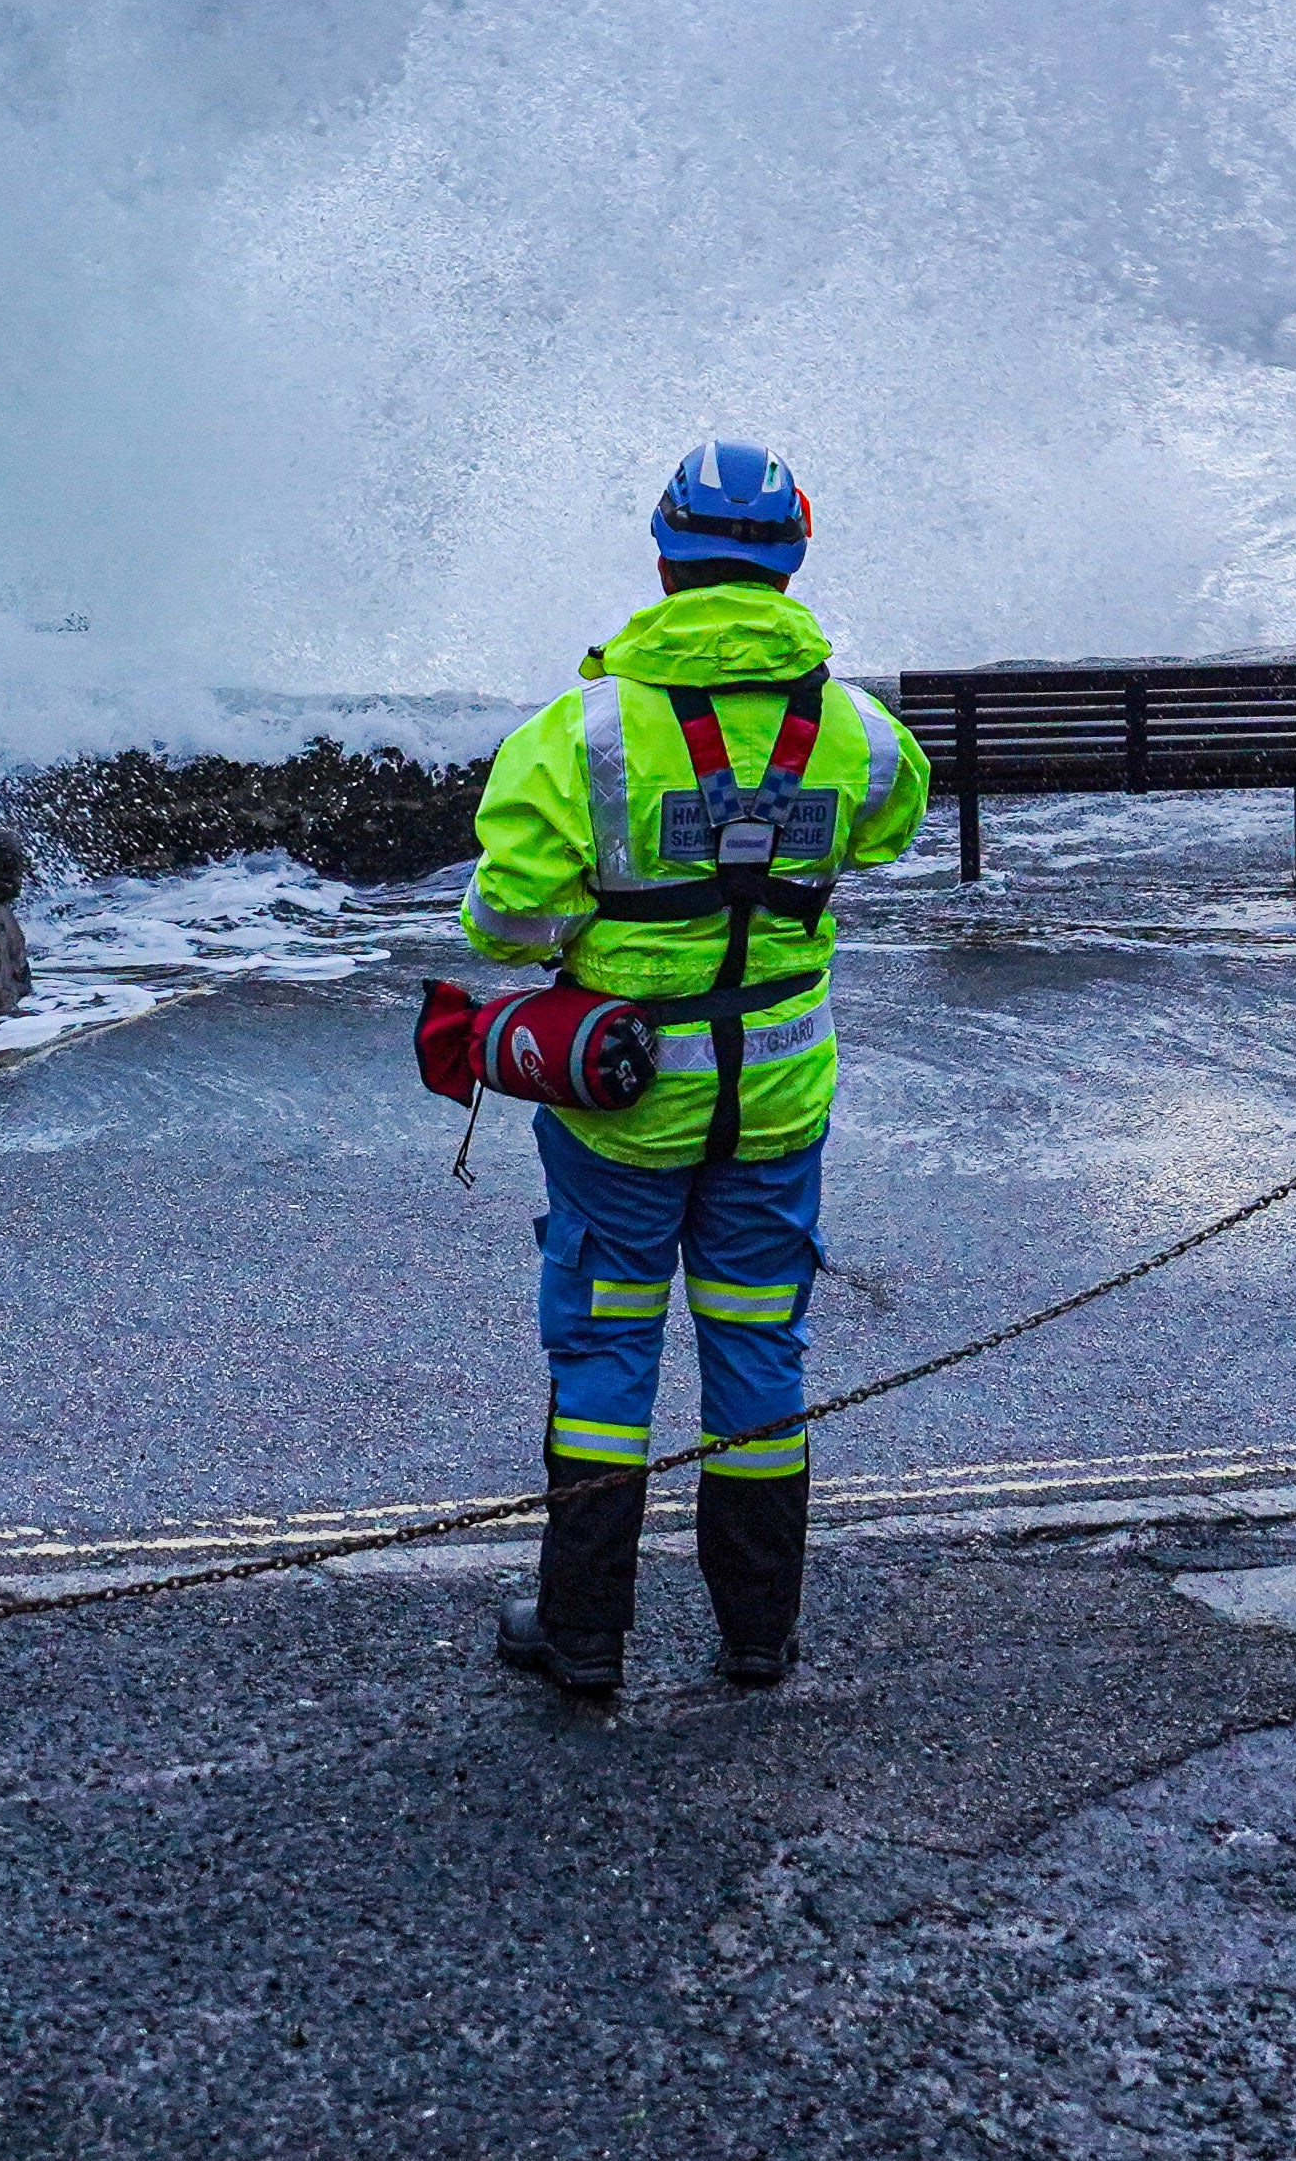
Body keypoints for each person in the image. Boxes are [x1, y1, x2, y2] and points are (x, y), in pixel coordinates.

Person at [460, 439, 933, 1699]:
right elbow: (889, 824)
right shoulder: (857, 731)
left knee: (609, 1354)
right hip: (777, 1095)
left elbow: (503, 922)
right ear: (792, 555)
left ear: (663, 553)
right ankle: (758, 1634)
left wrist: (594, 932)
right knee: (758, 1351)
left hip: (619, 1102)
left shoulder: (583, 730)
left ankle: (582, 1634)